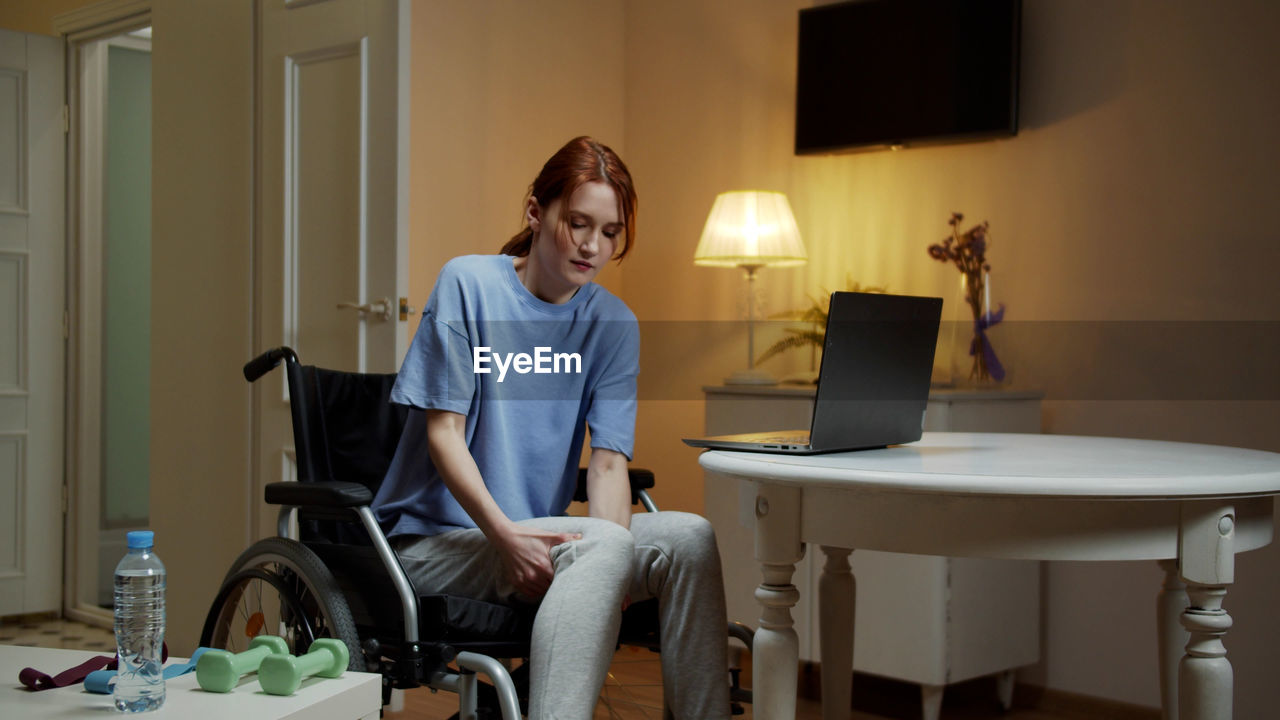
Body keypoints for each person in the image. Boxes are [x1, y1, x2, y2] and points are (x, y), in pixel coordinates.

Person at [372, 136, 731, 719]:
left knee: (689, 538)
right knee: (599, 546)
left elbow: (610, 464)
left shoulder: (614, 325)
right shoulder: (470, 285)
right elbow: (444, 434)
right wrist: (506, 538)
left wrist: (610, 571)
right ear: (537, 213)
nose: (594, 246)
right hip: (437, 543)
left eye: (611, 232)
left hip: (545, 538)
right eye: (578, 223)